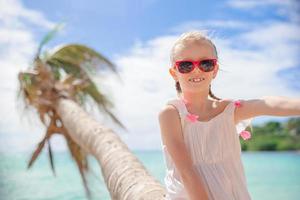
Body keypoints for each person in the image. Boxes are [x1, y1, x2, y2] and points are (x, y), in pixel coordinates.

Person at [158, 30, 300, 200]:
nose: (196, 71)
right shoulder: (171, 114)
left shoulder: (229, 111)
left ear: (215, 70)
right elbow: (187, 172)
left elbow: (267, 103)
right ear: (174, 73)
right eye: (186, 65)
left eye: (206, 64)